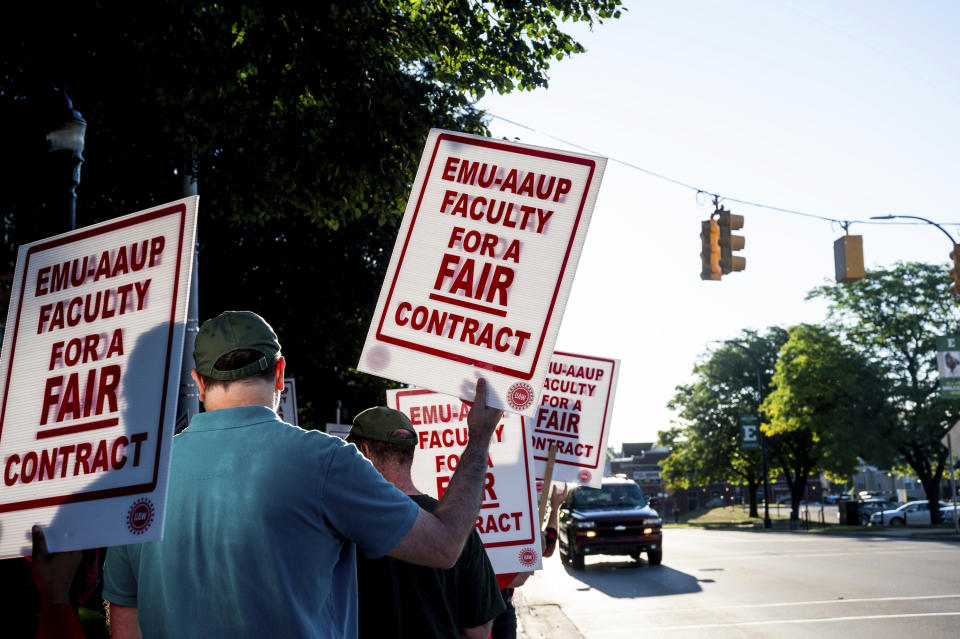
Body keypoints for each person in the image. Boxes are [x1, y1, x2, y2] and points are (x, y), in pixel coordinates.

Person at [102, 311, 503, 638]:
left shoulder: (142, 473)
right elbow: (445, 546)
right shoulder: (326, 461)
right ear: (279, 373)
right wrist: (480, 437)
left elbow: (124, 620)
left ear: (199, 382)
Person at [347, 406, 505, 638]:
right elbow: (479, 631)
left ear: (365, 450)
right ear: (410, 453)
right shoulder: (457, 529)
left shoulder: (343, 523)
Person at [491, 483, 567, 639]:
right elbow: (518, 579)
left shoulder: (514, 522)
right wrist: (554, 509)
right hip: (486, 610)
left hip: (497, 610)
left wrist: (554, 509)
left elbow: (547, 546)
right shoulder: (511, 521)